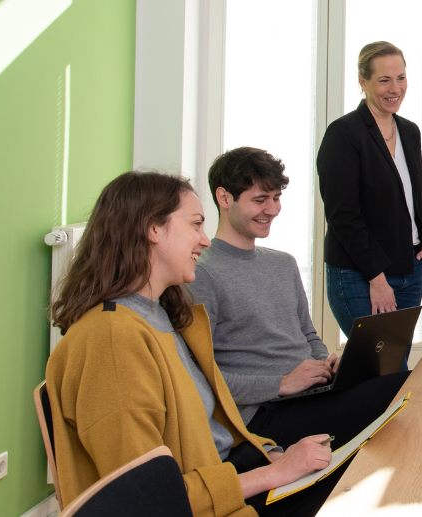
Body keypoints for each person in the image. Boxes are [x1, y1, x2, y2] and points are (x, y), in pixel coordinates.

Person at [46, 171, 340, 516]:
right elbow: (149, 500)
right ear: (153, 229)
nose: (205, 240)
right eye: (196, 225)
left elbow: (212, 430)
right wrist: (275, 473)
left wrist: (271, 455)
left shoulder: (161, 316)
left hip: (226, 477)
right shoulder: (111, 341)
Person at [188, 147, 409, 451]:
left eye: (276, 199)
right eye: (259, 200)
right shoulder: (202, 273)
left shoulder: (283, 263)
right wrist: (281, 383)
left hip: (310, 393)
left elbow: (307, 334)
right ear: (224, 198)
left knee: (409, 382)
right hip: (263, 413)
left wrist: (325, 363)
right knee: (403, 392)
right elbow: (199, 376)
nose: (272, 209)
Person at [317, 41, 422, 371]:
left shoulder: (409, 131)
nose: (395, 88)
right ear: (363, 82)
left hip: (410, 269)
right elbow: (343, 216)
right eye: (384, 80)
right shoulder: (343, 134)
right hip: (361, 274)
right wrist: (377, 279)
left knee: (391, 364)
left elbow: (415, 198)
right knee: (382, 370)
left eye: (401, 78)